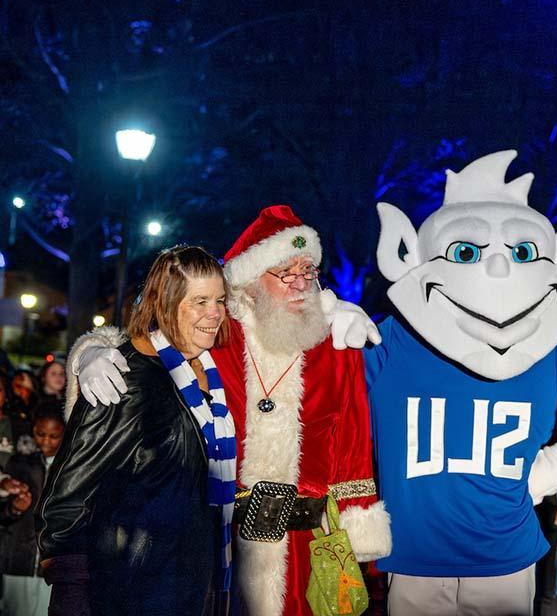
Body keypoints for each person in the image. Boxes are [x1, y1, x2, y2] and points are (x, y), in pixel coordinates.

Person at [71, 206, 390, 616]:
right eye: (285, 274)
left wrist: (358, 526)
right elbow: (147, 345)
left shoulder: (335, 343)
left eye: (307, 271)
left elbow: (351, 436)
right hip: (220, 542)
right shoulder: (215, 334)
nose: (300, 284)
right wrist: (91, 352)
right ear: (251, 282)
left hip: (308, 546)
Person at [370, 151, 557, 615]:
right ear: (406, 253)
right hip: (415, 559)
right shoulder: (387, 341)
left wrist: (551, 470)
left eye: (523, 251)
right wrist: (324, 325)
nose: (495, 267)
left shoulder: (555, 348)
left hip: (504, 561)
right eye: (466, 251)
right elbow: (322, 405)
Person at [38, 245, 236, 616]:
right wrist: (71, 593)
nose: (215, 314)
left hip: (190, 587)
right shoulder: (126, 379)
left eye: (220, 300)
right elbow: (67, 496)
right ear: (165, 302)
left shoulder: (207, 374)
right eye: (201, 301)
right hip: (129, 592)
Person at [1, 402, 65, 616]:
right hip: (17, 563)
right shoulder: (18, 465)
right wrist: (15, 509)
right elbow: (3, 515)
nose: (45, 440)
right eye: (40, 433)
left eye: (53, 436)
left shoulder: (72, 470)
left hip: (56, 568)